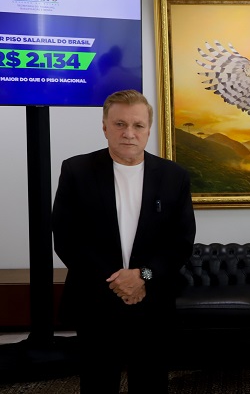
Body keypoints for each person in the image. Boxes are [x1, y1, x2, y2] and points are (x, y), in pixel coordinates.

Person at [52, 89, 196, 393]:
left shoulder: (174, 176)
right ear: (105, 126)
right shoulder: (76, 171)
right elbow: (67, 238)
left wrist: (142, 277)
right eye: (120, 124)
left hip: (152, 299)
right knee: (97, 382)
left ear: (148, 129)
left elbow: (180, 242)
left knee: (151, 382)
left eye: (137, 125)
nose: (129, 133)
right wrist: (118, 281)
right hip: (96, 299)